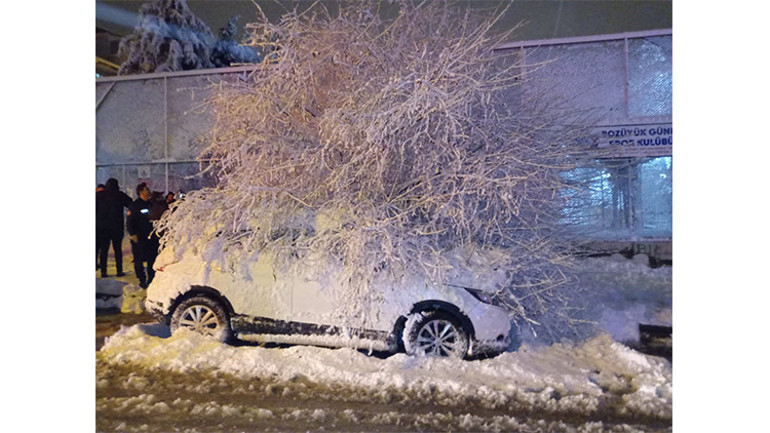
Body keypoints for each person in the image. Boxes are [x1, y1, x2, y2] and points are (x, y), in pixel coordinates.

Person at [96, 178, 132, 278]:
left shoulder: (98, 196)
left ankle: (104, 272)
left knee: (104, 250)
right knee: (117, 249)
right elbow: (130, 203)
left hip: (102, 227)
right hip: (117, 226)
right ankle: (119, 271)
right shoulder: (120, 195)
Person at [127, 183, 159, 289]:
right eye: (146, 189)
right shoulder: (135, 205)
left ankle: (151, 278)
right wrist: (133, 234)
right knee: (139, 259)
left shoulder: (151, 204)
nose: (148, 191)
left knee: (152, 258)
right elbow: (130, 222)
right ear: (140, 192)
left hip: (151, 237)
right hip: (139, 236)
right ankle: (142, 279)